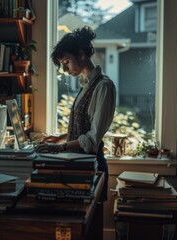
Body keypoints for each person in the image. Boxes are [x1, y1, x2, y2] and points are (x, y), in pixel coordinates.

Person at [35, 26, 116, 201]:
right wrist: (60, 137)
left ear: (81, 54)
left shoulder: (103, 86)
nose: (64, 70)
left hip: (92, 166)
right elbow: (82, 128)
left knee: (90, 223)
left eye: (66, 62)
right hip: (80, 165)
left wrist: (58, 148)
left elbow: (92, 139)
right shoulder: (86, 84)